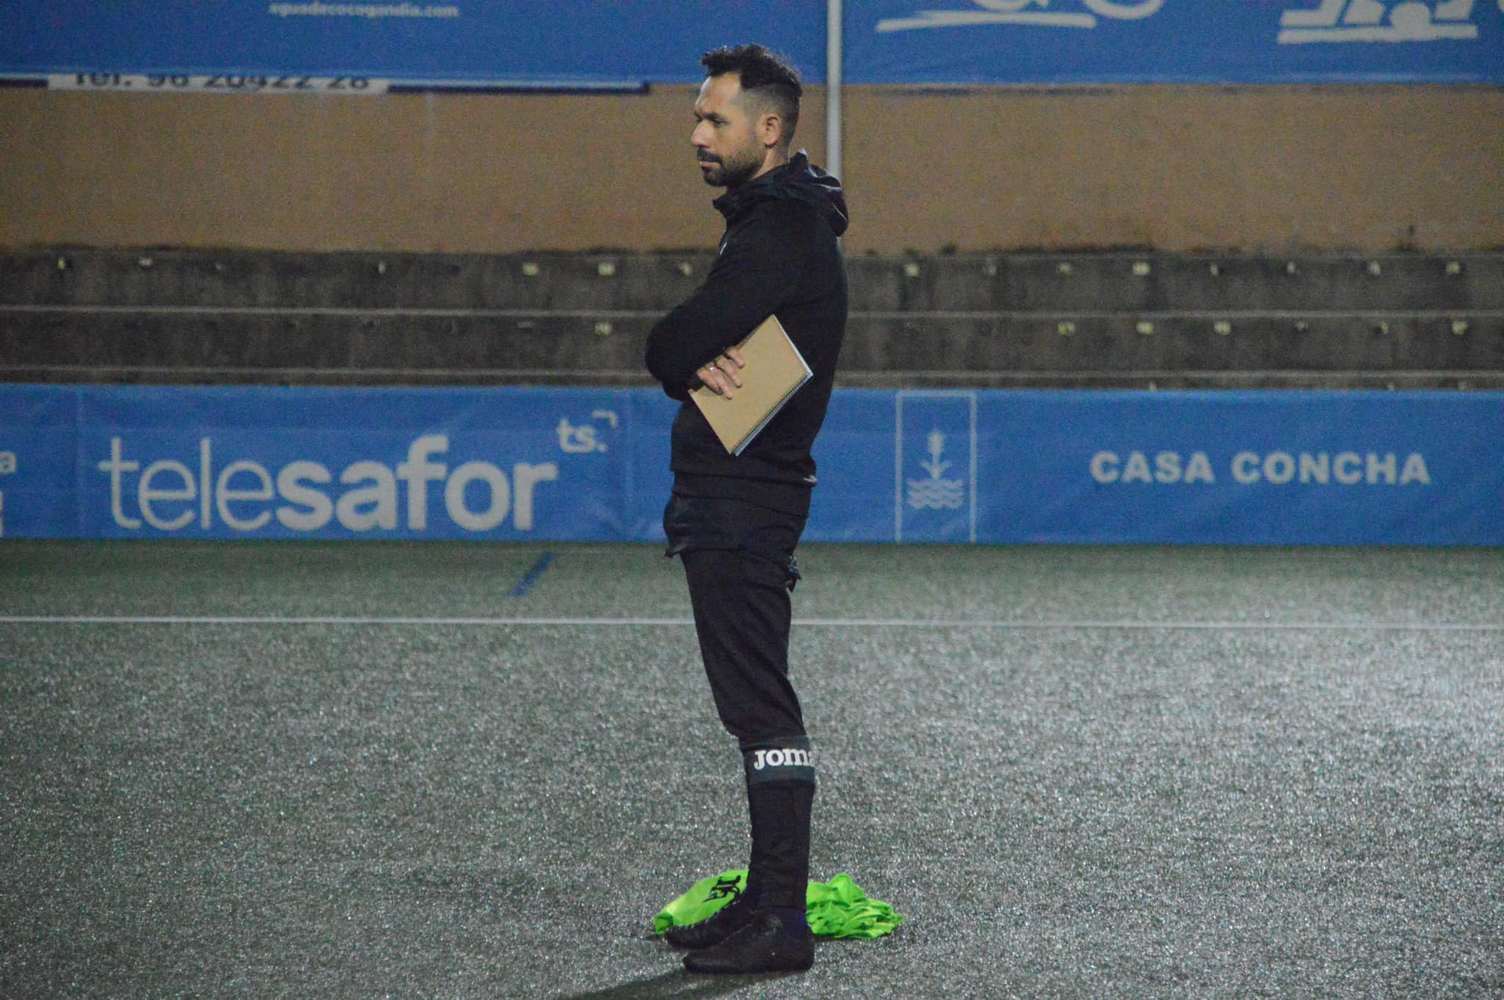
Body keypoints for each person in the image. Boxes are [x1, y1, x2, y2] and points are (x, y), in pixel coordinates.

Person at [643, 43, 849, 976]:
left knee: (764, 711)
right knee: (754, 708)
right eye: (696, 116)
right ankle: (766, 907)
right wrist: (688, 355)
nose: (696, 133)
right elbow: (696, 346)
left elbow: (678, 338)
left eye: (713, 118)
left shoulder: (779, 227)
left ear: (767, 130)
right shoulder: (781, 216)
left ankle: (783, 924)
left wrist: (676, 353)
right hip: (737, 497)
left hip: (743, 501)